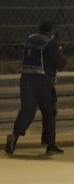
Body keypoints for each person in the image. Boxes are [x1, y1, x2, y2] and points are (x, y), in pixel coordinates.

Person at [5, 20, 67, 157]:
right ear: (51, 31)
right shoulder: (50, 44)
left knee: (27, 111)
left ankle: (15, 136)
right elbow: (60, 64)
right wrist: (60, 51)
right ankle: (50, 144)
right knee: (49, 112)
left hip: (26, 80)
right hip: (43, 82)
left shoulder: (30, 39)